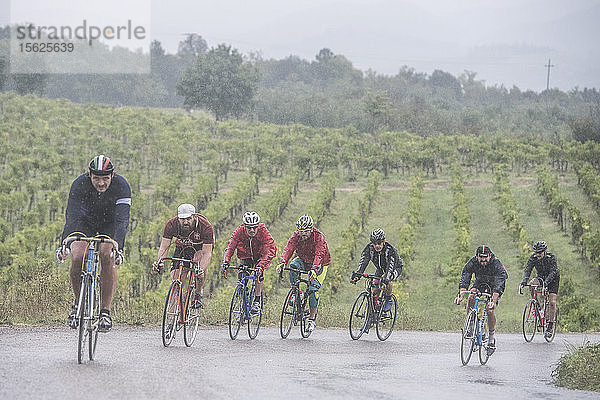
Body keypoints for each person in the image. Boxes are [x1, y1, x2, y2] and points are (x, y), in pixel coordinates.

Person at [56, 155, 131, 332]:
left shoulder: (122, 186)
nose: (101, 183)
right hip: (84, 222)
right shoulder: (79, 184)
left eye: (105, 178)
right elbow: (72, 215)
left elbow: (122, 220)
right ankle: (77, 304)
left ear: (112, 175)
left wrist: (118, 246)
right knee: (78, 256)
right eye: (96, 178)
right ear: (89, 175)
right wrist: (65, 242)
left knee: (106, 256)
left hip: (109, 223)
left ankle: (105, 311)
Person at [152, 203, 214, 310]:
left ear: (194, 216)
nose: (185, 222)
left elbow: (207, 253)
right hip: (182, 248)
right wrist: (160, 262)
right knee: (176, 280)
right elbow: (164, 247)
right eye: (182, 219)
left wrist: (201, 269)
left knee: (199, 268)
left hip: (199, 249)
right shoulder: (171, 225)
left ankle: (198, 293)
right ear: (178, 218)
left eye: (188, 219)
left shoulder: (205, 226)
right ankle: (173, 317)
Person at [276, 214, 330, 333]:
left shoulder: (319, 237)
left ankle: (311, 320)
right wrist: (282, 262)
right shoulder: (296, 236)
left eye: (306, 231)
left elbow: (319, 255)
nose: (303, 233)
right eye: (301, 231)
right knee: (293, 266)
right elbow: (289, 248)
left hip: (320, 264)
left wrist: (314, 270)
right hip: (303, 259)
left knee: (313, 290)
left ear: (311, 229)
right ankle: (296, 292)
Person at [454, 245, 507, 355]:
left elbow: (500, 283)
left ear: (490, 255)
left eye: (485, 257)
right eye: (480, 258)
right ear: (476, 256)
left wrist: (493, 300)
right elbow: (465, 278)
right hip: (480, 283)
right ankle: (472, 325)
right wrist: (460, 295)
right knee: (471, 296)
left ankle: (491, 338)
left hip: (494, 286)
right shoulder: (473, 262)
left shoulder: (496, 263)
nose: (483, 260)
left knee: (490, 309)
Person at [221, 212, 277, 313]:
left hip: (260, 256)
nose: (252, 230)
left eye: (254, 227)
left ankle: (257, 301)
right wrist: (226, 261)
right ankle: (243, 304)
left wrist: (261, 265)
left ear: (258, 226)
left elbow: (270, 248)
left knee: (258, 274)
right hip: (246, 256)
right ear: (244, 227)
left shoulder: (263, 231)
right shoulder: (239, 231)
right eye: (249, 228)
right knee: (242, 277)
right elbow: (231, 246)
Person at [350, 229, 403, 326]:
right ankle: (372, 314)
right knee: (374, 288)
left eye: (379, 243)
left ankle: (388, 298)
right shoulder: (369, 249)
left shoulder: (390, 250)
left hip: (395, 267)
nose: (377, 246)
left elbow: (390, 267)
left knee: (386, 279)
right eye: (374, 243)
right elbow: (363, 263)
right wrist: (357, 275)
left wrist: (386, 280)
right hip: (380, 268)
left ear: (383, 241)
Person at [519, 240, 560, 339]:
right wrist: (524, 281)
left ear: (545, 251)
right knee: (532, 283)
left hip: (553, 278)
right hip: (541, 277)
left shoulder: (551, 257)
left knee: (552, 302)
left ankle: (550, 326)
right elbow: (528, 269)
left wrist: (546, 283)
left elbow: (553, 272)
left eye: (540, 253)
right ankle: (536, 305)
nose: (538, 255)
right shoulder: (533, 258)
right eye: (536, 252)